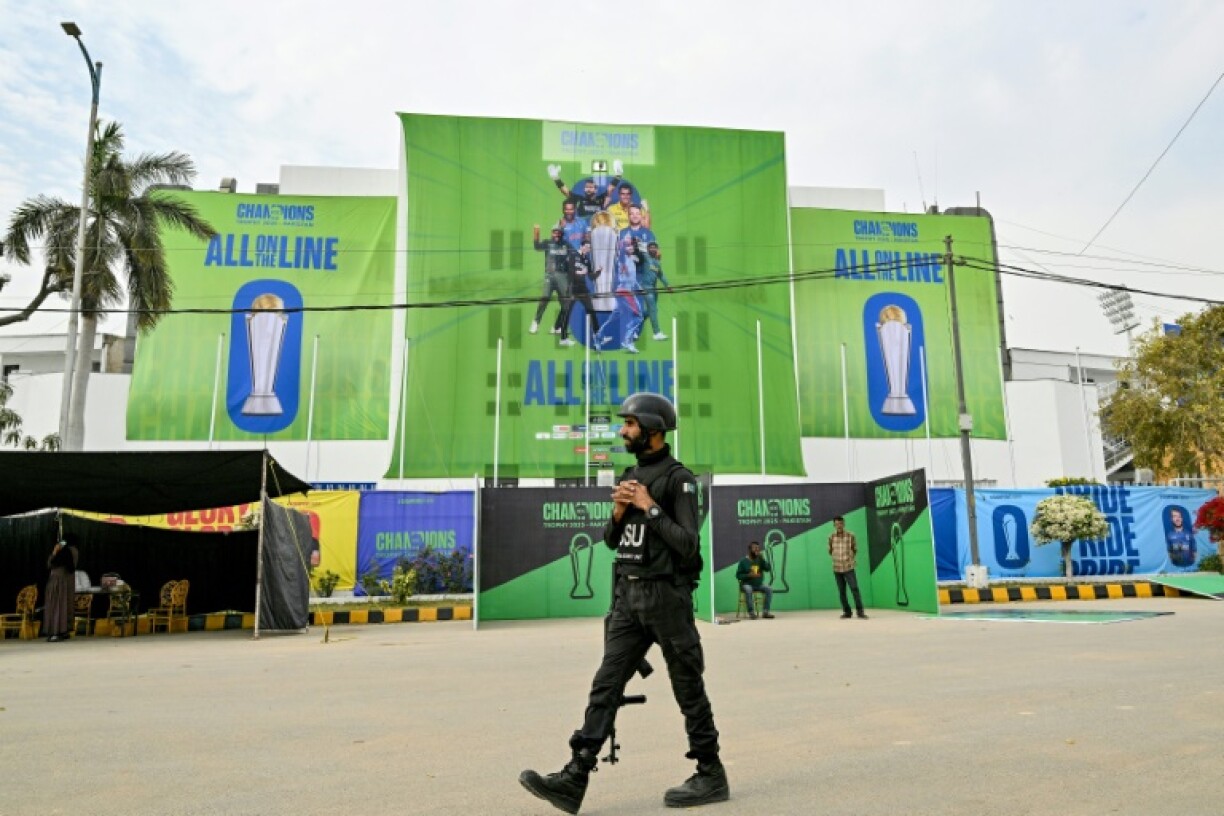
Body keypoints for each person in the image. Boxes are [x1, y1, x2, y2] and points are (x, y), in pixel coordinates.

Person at [520, 393, 729, 813]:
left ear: (653, 430)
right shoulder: (632, 473)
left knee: (688, 687)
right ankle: (575, 777)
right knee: (606, 684)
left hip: (667, 597)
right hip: (629, 598)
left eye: (630, 424)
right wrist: (618, 514)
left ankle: (711, 774)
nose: (623, 430)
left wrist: (649, 508)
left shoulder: (678, 479)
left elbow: (689, 545)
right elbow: (613, 542)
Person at [531, 224, 576, 335]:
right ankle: (536, 322)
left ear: (561, 233)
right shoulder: (547, 243)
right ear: (552, 233)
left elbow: (575, 255)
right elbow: (537, 247)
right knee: (544, 298)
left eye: (558, 232)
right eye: (554, 232)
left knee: (567, 303)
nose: (556, 234)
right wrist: (536, 233)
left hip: (562, 276)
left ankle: (557, 327)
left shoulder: (566, 244)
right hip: (549, 276)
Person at [829, 516, 867, 619]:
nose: (839, 526)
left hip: (849, 567)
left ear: (844, 524)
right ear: (834, 525)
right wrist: (837, 559)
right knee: (842, 591)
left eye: (840, 523)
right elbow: (830, 550)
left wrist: (849, 559)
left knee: (854, 588)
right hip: (837, 568)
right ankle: (847, 612)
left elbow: (854, 549)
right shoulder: (831, 537)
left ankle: (860, 612)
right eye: (836, 524)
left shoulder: (851, 535)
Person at [43, 534, 79, 642]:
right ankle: (63, 630)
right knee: (64, 606)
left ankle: (56, 632)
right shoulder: (73, 551)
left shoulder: (66, 552)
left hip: (58, 582)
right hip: (64, 583)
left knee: (57, 607)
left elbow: (51, 564)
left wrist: (55, 552)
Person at [639, 241, 673, 341]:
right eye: (651, 247)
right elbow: (639, 250)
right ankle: (656, 333)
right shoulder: (646, 257)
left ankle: (637, 322)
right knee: (653, 309)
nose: (653, 249)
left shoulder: (657, 263)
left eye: (655, 247)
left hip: (654, 289)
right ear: (648, 249)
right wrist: (637, 242)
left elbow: (661, 276)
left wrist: (668, 286)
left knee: (651, 311)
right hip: (646, 288)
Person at [735, 540, 774, 619]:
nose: (757, 550)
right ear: (749, 550)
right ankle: (751, 612)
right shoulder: (743, 561)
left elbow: (768, 569)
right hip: (746, 584)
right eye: (755, 548)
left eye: (758, 548)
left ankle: (765, 612)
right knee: (749, 589)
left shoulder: (759, 559)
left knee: (769, 589)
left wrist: (763, 559)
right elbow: (738, 575)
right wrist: (749, 575)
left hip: (758, 585)